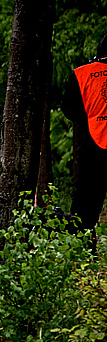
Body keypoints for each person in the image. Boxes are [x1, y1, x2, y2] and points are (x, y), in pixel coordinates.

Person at [61, 33, 107, 231]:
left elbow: (69, 109)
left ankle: (83, 247)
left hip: (91, 144)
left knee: (86, 200)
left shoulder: (81, 74)